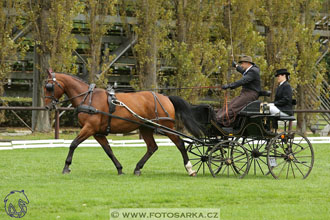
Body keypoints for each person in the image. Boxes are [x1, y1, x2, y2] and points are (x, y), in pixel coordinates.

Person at [216, 55, 261, 126]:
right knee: (230, 105)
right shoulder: (250, 70)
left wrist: (229, 86)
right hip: (245, 93)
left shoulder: (253, 71)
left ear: (247, 63)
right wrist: (236, 66)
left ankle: (220, 120)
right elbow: (243, 71)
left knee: (234, 106)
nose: (241, 65)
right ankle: (217, 117)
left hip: (250, 94)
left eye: (242, 63)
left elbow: (242, 81)